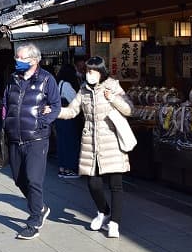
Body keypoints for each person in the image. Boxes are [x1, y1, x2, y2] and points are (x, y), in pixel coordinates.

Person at [54, 56, 133, 239]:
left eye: (92, 71)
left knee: (116, 184)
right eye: (87, 71)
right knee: (93, 183)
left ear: (101, 72)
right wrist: (55, 111)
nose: (88, 74)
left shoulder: (113, 86)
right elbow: (72, 110)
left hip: (112, 141)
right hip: (91, 142)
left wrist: (113, 99)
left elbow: (129, 109)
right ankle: (103, 211)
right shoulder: (83, 90)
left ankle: (114, 222)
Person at [2, 43, 61, 240]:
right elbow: (5, 103)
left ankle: (35, 219)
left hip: (36, 138)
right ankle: (41, 207)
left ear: (34, 60)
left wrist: (41, 122)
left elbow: (55, 106)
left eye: (21, 59)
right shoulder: (13, 79)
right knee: (19, 179)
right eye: (16, 58)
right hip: (14, 137)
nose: (17, 62)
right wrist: (6, 122)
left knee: (33, 179)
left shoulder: (47, 80)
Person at [54, 64, 81, 179]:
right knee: (70, 143)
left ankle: (62, 168)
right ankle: (69, 169)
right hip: (67, 118)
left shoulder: (59, 83)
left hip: (59, 117)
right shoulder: (67, 85)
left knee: (62, 143)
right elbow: (74, 101)